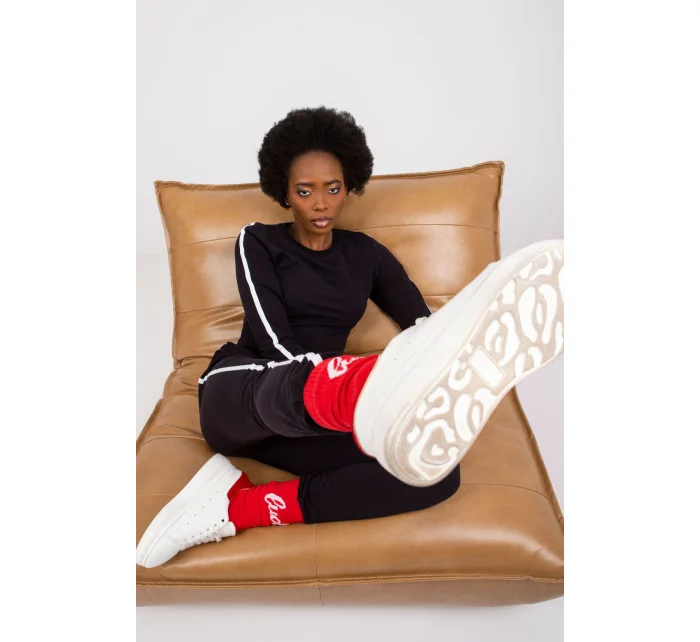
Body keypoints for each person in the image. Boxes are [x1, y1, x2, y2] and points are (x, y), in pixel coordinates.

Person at [136, 106, 564, 569]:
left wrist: (446, 345)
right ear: (284, 193)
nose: (320, 203)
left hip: (310, 421)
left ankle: (238, 506)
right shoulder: (258, 242)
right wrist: (330, 380)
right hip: (244, 395)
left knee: (430, 472)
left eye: (333, 188)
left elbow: (422, 328)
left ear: (349, 187)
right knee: (283, 382)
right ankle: (364, 386)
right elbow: (272, 337)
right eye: (305, 191)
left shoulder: (367, 256)